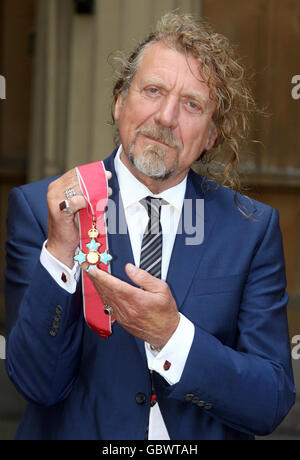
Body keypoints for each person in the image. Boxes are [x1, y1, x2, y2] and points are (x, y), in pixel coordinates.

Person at [5, 12, 295, 440]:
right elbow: (35, 384)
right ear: (120, 101)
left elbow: (269, 401)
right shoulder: (43, 208)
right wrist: (59, 256)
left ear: (212, 134)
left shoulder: (250, 229)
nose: (166, 116)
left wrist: (173, 336)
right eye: (153, 91)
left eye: (192, 104)